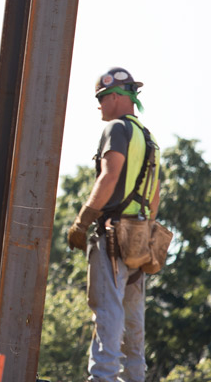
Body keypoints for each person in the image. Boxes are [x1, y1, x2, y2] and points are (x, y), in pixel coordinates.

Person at [67, 68, 161, 382]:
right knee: (133, 319)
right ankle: (134, 378)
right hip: (138, 239)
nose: (99, 106)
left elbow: (109, 176)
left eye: (101, 98)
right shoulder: (148, 139)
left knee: (107, 309)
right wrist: (145, 234)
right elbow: (155, 195)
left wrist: (82, 222)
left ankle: (103, 377)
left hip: (112, 236)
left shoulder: (117, 130)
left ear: (117, 96)